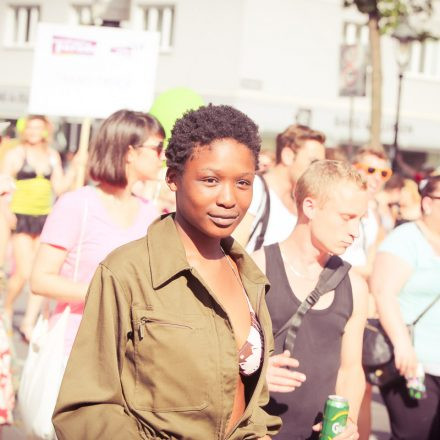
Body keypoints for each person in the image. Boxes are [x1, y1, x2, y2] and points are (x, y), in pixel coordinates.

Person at [52, 104, 282, 440]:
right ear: (172, 179)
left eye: (243, 182)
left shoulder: (249, 277)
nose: (229, 198)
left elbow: (252, 405)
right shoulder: (126, 273)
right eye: (210, 180)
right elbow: (85, 409)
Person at [30, 109, 164, 357]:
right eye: (157, 147)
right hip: (74, 348)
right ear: (130, 152)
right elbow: (40, 280)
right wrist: (106, 292)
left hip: (129, 351)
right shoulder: (76, 205)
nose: (163, 156)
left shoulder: (151, 213)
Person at [252, 160, 369, 440]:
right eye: (346, 217)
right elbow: (223, 358)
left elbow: (350, 370)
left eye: (360, 219)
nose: (356, 231)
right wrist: (258, 378)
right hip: (257, 431)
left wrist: (348, 421)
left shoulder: (354, 285)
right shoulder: (257, 269)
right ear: (309, 207)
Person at [370, 175, 440, 440]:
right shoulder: (406, 239)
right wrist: (402, 345)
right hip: (412, 363)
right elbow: (383, 292)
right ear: (428, 203)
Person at [1, 115, 79, 339]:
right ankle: (6, 307)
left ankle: (27, 323)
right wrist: (6, 213)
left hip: (44, 218)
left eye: (39, 127)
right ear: (25, 130)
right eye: (31, 127)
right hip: (20, 217)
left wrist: (74, 168)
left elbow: (61, 187)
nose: (34, 131)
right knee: (24, 272)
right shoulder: (16, 154)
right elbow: (2, 186)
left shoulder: (52, 156)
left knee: (40, 273)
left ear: (46, 130)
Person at [233, 124, 325, 252]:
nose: (317, 171)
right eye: (313, 162)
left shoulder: (300, 202)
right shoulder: (256, 190)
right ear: (287, 156)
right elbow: (234, 252)